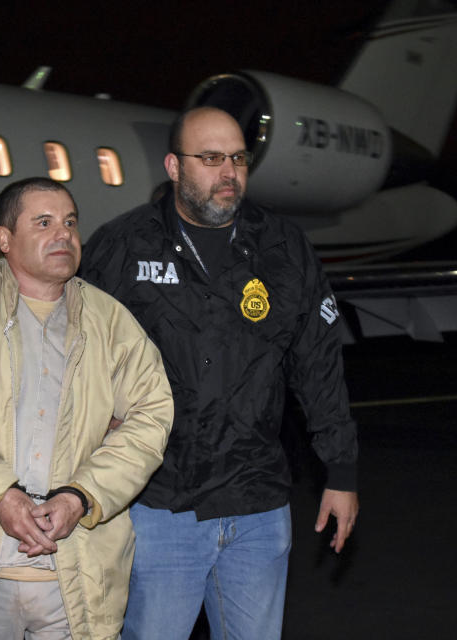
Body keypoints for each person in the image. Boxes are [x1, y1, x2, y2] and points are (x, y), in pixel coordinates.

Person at [79, 107, 360, 640]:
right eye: (210, 158)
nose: (228, 171)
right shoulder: (123, 246)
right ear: (173, 166)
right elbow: (74, 350)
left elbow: (319, 364)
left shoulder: (283, 247)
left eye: (237, 158)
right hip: (159, 503)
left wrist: (340, 473)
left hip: (258, 503)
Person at [0, 177, 174, 639]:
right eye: (43, 222)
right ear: (5, 238)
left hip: (75, 579)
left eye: (70, 222)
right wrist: (0, 496)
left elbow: (152, 416)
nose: (64, 234)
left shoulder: (110, 321)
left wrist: (82, 496)